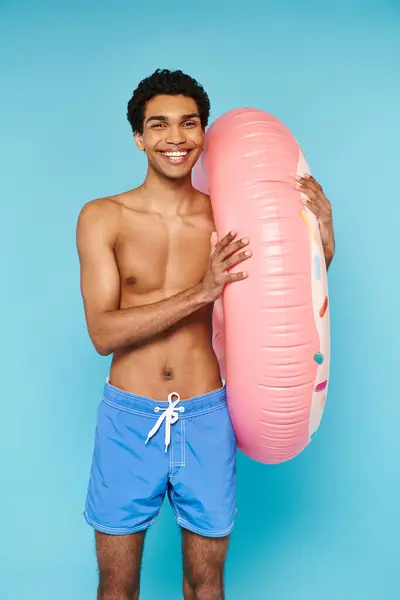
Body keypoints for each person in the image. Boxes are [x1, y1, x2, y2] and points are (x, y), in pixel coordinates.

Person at [76, 69, 335, 600]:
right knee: (116, 585)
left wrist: (322, 242)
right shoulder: (103, 217)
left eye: (189, 124)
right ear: (139, 137)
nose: (176, 138)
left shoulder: (228, 216)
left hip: (205, 415)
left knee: (205, 584)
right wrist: (200, 291)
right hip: (129, 418)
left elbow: (282, 295)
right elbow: (103, 332)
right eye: (160, 126)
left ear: (204, 131)